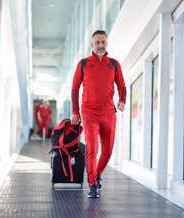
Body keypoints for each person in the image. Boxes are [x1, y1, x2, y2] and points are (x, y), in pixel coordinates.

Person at [71, 30, 126, 198]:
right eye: (97, 43)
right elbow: (74, 88)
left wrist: (122, 100)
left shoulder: (114, 64)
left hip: (109, 112)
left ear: (107, 43)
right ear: (92, 45)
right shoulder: (84, 64)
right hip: (89, 112)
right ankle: (93, 183)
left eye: (103, 42)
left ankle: (98, 173)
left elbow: (122, 85)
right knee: (92, 149)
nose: (100, 45)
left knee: (108, 151)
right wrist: (76, 111)